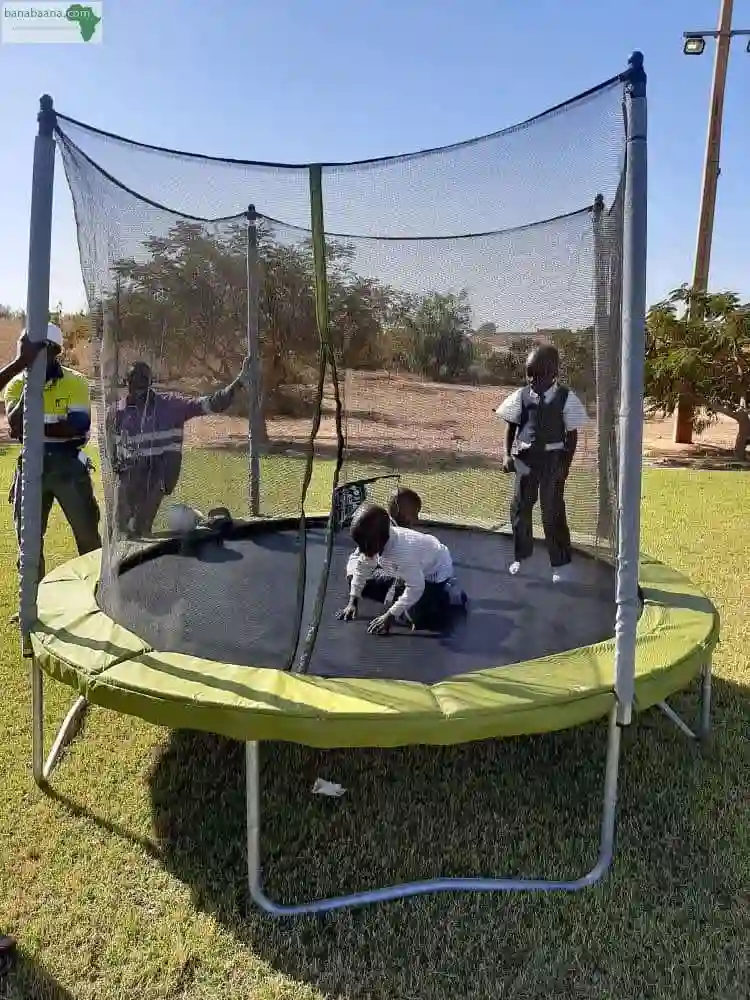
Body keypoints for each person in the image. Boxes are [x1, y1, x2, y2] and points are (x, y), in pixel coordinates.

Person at [106, 356, 252, 536]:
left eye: (142, 385)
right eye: (134, 386)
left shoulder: (170, 406)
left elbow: (211, 404)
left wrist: (239, 383)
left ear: (150, 383)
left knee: (140, 529)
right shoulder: (116, 412)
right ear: (127, 384)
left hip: (158, 477)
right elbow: (112, 449)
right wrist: (120, 471)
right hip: (130, 478)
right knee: (119, 530)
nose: (138, 392)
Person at [3, 323, 101, 580]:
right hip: (31, 465)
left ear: (53, 350)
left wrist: (33, 426)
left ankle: (98, 595)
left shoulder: (76, 382)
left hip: (69, 465)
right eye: (24, 348)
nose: (28, 354)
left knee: (87, 535)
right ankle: (32, 604)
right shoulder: (16, 385)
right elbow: (16, 427)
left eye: (34, 349)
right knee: (28, 542)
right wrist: (30, 384)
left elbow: (77, 426)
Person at [494, 343, 588, 583]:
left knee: (552, 511)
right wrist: (507, 454)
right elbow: (511, 424)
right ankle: (522, 557)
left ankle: (561, 563)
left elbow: (573, 435)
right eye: (530, 375)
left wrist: (565, 465)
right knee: (520, 508)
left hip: (552, 459)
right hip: (525, 459)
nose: (533, 380)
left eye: (539, 375)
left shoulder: (566, 397)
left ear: (553, 374)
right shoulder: (522, 395)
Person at [337, 502, 460, 634]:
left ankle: (448, 592)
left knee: (416, 619)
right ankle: (400, 586)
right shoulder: (373, 543)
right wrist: (353, 602)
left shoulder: (403, 554)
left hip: (434, 574)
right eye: (359, 544)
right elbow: (362, 567)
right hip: (407, 569)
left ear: (380, 540)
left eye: (364, 545)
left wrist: (390, 616)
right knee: (356, 581)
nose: (361, 550)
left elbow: (417, 587)